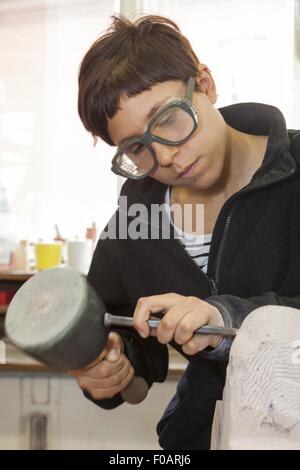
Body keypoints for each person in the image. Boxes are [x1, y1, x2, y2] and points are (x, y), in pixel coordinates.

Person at [72, 14, 300, 449]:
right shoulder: (137, 217)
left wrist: (225, 317)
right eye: (137, 148)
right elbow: (128, 347)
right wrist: (113, 370)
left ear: (205, 83)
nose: (167, 156)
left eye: (169, 119)